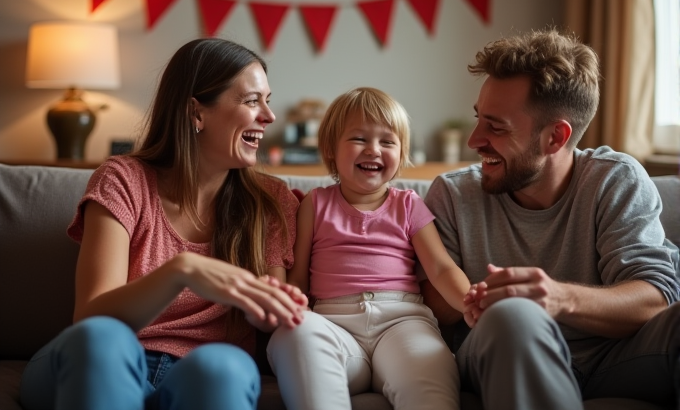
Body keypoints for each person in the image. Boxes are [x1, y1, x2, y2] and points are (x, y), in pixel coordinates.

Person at [19, 38, 308, 410]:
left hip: (197, 373)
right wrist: (181, 271)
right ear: (196, 112)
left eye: (267, 100)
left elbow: (271, 323)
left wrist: (266, 304)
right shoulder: (123, 180)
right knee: (103, 340)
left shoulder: (271, 201)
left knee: (225, 368)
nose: (268, 116)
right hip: (102, 362)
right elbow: (90, 316)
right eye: (252, 101)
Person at [421, 27, 680, 410]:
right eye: (479, 119)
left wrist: (558, 298)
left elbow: (656, 298)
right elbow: (432, 310)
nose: (473, 140)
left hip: (616, 360)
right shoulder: (452, 195)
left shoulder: (615, 178)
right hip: (507, 351)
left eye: (496, 126)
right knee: (513, 317)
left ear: (556, 137)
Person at [267, 87, 472, 410]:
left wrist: (470, 302)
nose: (373, 150)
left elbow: (441, 267)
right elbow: (299, 279)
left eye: (387, 142)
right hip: (334, 326)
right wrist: (286, 301)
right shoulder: (315, 204)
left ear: (402, 153)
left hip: (402, 322)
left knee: (429, 372)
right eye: (359, 139)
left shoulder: (409, 204)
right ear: (331, 150)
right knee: (294, 335)